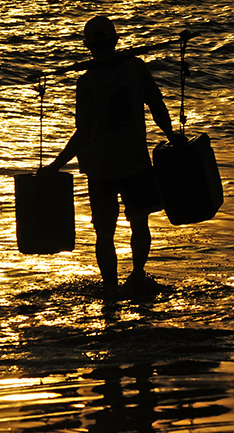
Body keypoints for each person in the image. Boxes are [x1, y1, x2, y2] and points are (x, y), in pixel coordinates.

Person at [39, 16, 182, 299]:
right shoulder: (134, 68)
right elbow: (157, 105)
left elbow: (83, 132)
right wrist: (171, 135)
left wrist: (56, 166)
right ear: (115, 41)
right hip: (131, 163)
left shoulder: (88, 82)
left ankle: (111, 288)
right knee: (139, 221)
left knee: (105, 232)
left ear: (87, 46)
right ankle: (137, 276)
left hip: (102, 168)